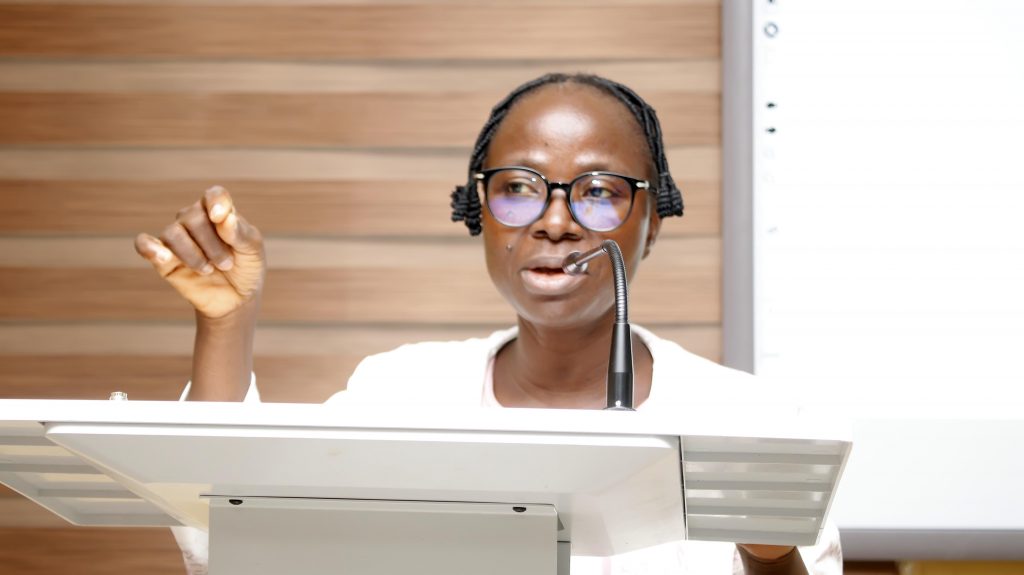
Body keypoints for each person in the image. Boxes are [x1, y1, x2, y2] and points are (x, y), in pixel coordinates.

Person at [135, 73, 842, 575]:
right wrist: (227, 324)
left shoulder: (752, 419)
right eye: (519, 189)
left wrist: (769, 555)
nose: (556, 221)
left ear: (652, 221)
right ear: (479, 212)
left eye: (599, 192)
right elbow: (240, 547)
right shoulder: (396, 394)